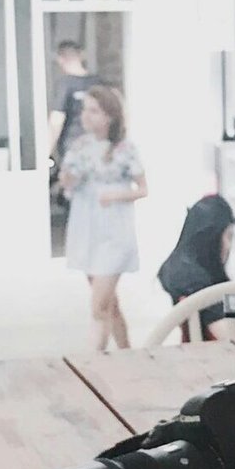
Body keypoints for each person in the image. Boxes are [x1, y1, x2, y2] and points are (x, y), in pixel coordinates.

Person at [60, 84, 147, 353]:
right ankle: (127, 352)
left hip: (114, 231)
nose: (87, 116)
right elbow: (67, 183)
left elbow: (143, 189)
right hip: (87, 229)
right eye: (85, 110)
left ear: (109, 115)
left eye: (94, 111)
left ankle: (93, 359)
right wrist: (70, 172)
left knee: (98, 306)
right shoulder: (80, 147)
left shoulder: (124, 149)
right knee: (109, 303)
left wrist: (116, 195)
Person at [158, 194, 235, 342]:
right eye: (228, 237)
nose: (229, 246)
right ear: (211, 238)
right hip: (218, 359)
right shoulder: (196, 282)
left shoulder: (179, 269)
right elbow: (231, 341)